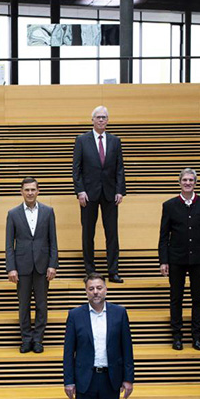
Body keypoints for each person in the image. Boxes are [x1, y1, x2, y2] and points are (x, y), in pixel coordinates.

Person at [158, 168, 200, 351]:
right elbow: (163, 236)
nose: (188, 183)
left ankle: (197, 337)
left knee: (198, 299)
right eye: (185, 180)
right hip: (176, 259)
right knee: (176, 298)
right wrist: (163, 261)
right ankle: (177, 336)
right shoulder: (169, 205)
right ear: (179, 182)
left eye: (191, 180)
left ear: (196, 183)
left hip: (199, 259)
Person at [72, 106, 125, 282]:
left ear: (108, 120)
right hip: (88, 194)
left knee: (112, 233)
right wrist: (80, 191)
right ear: (92, 120)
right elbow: (76, 168)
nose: (101, 120)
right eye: (98, 117)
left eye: (104, 117)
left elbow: (120, 168)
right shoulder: (82, 140)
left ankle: (113, 271)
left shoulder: (115, 141)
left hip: (110, 193)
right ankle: (89, 270)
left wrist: (120, 190)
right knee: (88, 232)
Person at [5, 177, 58, 353]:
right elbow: (8, 244)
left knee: (42, 305)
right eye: (26, 190)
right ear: (21, 192)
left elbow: (53, 241)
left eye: (32, 189)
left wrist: (53, 264)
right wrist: (11, 267)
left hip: (43, 267)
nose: (29, 193)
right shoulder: (12, 213)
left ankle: (38, 340)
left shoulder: (48, 211)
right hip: (22, 267)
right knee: (24, 305)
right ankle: (26, 339)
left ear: (38, 191)